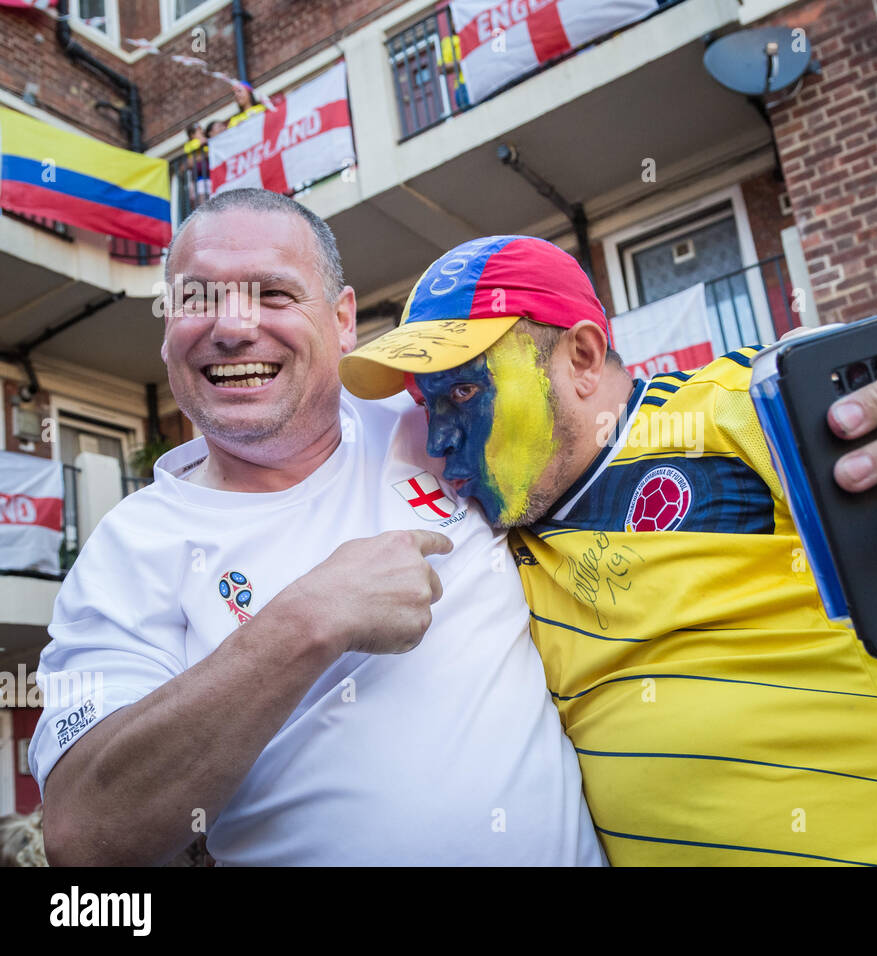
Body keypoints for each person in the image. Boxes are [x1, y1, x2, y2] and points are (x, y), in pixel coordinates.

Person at [340, 235, 877, 866]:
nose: (439, 436)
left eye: (467, 392)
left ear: (581, 358)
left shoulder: (745, 411)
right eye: (428, 402)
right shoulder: (489, 532)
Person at [31, 192, 602, 866]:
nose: (233, 328)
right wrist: (305, 621)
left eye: (273, 294)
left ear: (343, 320)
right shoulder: (129, 548)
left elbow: (593, 421)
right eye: (198, 299)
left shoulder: (441, 424)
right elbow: (85, 834)